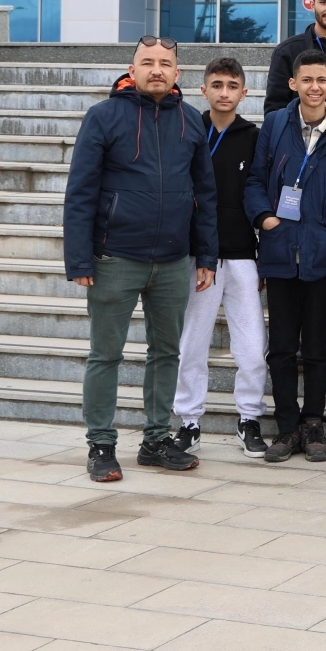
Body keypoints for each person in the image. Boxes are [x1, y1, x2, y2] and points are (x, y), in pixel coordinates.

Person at [66, 37, 216, 481]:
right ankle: (101, 445)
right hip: (115, 257)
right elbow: (80, 192)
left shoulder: (190, 121)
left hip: (172, 261)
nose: (156, 70)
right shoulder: (103, 116)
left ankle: (155, 441)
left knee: (166, 352)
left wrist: (206, 255)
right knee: (105, 355)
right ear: (132, 70)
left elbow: (205, 194)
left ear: (177, 73)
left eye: (165, 63)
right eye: (147, 62)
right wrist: (80, 260)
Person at [245, 49, 326, 464]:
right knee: (280, 347)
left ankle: (313, 424)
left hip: (321, 253)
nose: (314, 87)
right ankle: (286, 426)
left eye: (321, 80)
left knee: (315, 346)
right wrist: (266, 219)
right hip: (280, 249)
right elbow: (255, 179)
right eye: (306, 80)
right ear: (293, 83)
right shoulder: (276, 124)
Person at [173, 58, 262, 457]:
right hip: (197, 256)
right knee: (192, 344)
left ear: (244, 92)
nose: (224, 92)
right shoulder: (188, 130)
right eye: (217, 84)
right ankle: (188, 420)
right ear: (203, 89)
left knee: (252, 346)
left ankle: (249, 417)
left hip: (242, 254)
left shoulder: (254, 137)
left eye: (232, 85)